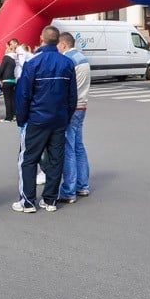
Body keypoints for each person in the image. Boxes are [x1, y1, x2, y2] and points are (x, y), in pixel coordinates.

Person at [13, 26, 77, 213]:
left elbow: (23, 94)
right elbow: (72, 96)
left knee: (28, 160)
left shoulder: (33, 63)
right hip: (58, 119)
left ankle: (28, 201)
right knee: (56, 160)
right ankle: (50, 200)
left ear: (42, 38)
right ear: (58, 41)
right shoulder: (67, 63)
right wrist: (66, 117)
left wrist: (22, 119)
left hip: (37, 119)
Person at [56, 31, 92, 203]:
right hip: (82, 105)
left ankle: (69, 190)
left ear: (63, 44)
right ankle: (82, 185)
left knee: (68, 147)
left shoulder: (68, 61)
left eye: (58, 45)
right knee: (78, 146)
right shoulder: (82, 58)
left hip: (71, 107)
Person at [0, 41, 18, 121]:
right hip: (14, 79)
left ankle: (8, 116)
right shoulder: (15, 58)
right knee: (12, 98)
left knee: (7, 99)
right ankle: (14, 114)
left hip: (6, 80)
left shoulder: (6, 57)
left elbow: (2, 69)